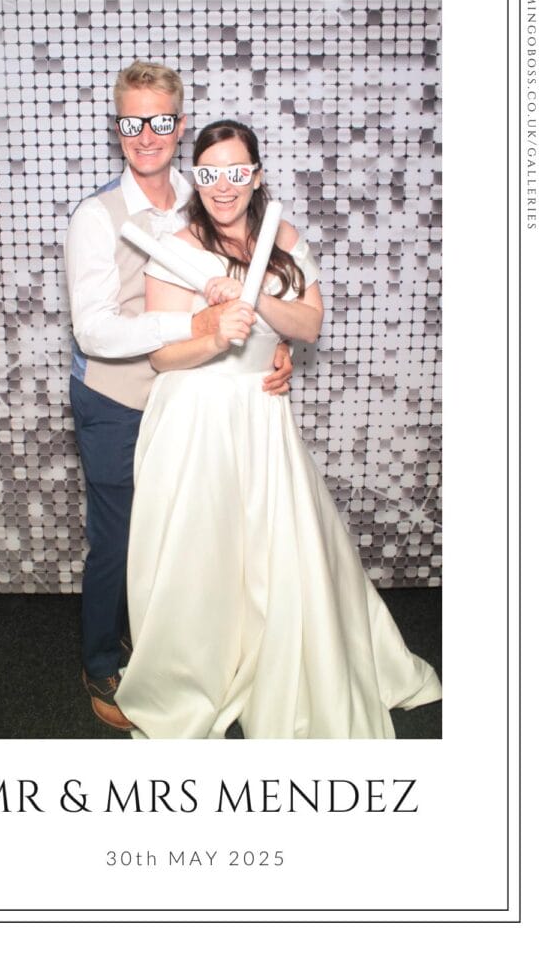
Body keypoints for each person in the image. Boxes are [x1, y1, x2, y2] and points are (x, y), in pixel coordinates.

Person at [115, 119, 443, 738]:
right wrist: (215, 335)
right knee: (203, 551)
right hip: (197, 417)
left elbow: (309, 325)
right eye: (210, 173)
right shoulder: (175, 247)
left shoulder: (283, 236)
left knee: (279, 550)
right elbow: (161, 357)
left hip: (263, 414)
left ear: (257, 175)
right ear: (196, 179)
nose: (223, 186)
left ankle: (282, 664)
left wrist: (254, 299)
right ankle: (197, 672)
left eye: (237, 171)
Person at [64, 64, 295, 731]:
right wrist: (190, 325)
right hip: (119, 401)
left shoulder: (208, 196)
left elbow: (257, 282)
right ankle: (101, 658)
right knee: (118, 538)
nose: (147, 135)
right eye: (133, 122)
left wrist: (274, 346)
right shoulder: (97, 217)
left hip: (196, 399)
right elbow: (94, 329)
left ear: (180, 125)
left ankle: (168, 643)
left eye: (161, 121)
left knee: (186, 533)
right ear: (117, 128)